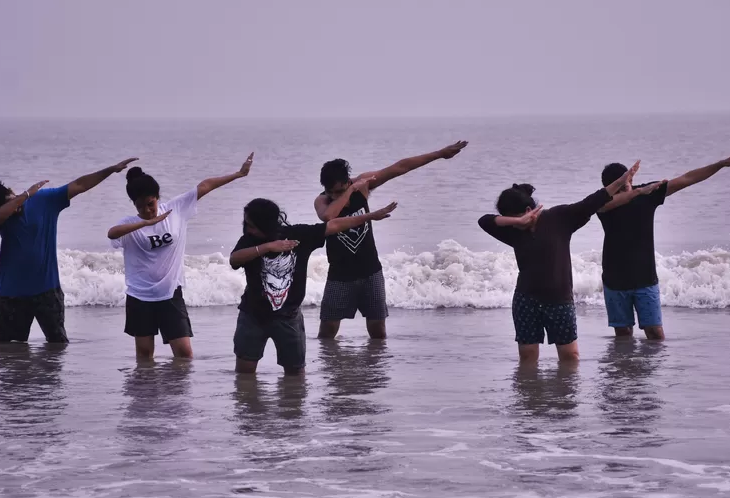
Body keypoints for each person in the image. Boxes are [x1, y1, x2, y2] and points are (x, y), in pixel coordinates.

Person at [478, 161, 665, 363]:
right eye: (508, 220)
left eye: (515, 217)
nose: (514, 224)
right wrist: (516, 222)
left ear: (528, 209)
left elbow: (593, 201)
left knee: (570, 357)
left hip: (559, 301)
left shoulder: (559, 218)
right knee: (528, 357)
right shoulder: (512, 232)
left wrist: (622, 182)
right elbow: (485, 220)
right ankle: (530, 394)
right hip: (525, 300)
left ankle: (564, 395)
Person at [314, 140, 468, 339]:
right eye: (330, 192)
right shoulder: (323, 200)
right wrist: (349, 191)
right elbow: (328, 217)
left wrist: (439, 154)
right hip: (340, 274)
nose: (334, 196)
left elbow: (399, 167)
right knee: (327, 332)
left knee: (378, 330)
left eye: (340, 190)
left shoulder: (362, 186)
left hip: (370, 270)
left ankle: (377, 367)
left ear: (347, 182)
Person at [107, 154, 254, 361]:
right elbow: (112, 233)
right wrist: (145, 223)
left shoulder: (176, 209)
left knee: (184, 354)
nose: (148, 210)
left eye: (151, 203)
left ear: (158, 196)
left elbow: (205, 186)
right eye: (141, 206)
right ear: (133, 204)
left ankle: (177, 393)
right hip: (140, 297)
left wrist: (239, 174)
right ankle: (145, 393)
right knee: (144, 355)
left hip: (170, 294)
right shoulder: (129, 225)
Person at [229, 197, 398, 375]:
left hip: (288, 317)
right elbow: (234, 259)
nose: (247, 228)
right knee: (244, 376)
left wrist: (369, 216)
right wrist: (268, 247)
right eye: (245, 223)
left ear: (266, 224)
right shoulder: (248, 240)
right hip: (252, 316)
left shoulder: (298, 235)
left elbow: (335, 225)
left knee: (295, 376)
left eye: (251, 224)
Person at [597, 146, 730, 340]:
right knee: (623, 334)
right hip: (614, 279)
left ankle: (654, 368)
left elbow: (687, 179)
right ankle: (624, 367)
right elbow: (602, 206)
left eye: (627, 182)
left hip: (645, 277)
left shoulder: (647, 194)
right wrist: (637, 192)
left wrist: (720, 165)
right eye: (619, 185)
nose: (626, 188)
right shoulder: (601, 203)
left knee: (655, 333)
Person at [0, 157, 138, 344]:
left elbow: (80, 185)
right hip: (11, 295)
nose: (15, 208)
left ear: (11, 192)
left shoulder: (44, 200)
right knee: (8, 352)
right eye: (8, 206)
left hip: (47, 291)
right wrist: (23, 197)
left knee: (57, 347)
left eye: (12, 200)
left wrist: (110, 170)